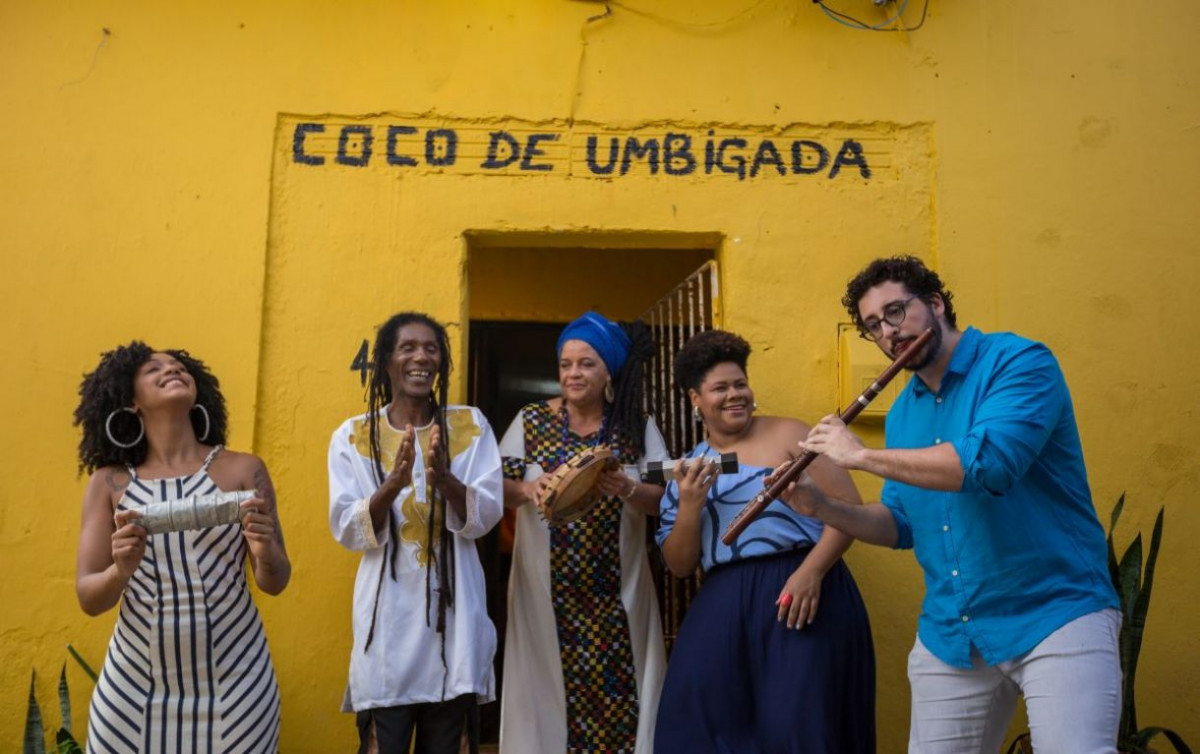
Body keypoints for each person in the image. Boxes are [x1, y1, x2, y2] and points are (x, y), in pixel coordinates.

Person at [780, 255, 1121, 754]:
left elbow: (989, 464)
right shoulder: (902, 414)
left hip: (1056, 610)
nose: (888, 334)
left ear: (935, 304)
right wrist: (821, 506)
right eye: (874, 326)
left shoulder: (1019, 363)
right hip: (954, 629)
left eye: (896, 313)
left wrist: (862, 456)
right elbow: (899, 524)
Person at [654, 329, 876, 754]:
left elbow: (850, 512)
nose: (735, 395)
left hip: (803, 590)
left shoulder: (791, 434)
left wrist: (811, 573)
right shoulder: (687, 468)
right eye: (720, 388)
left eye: (740, 384)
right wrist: (689, 505)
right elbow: (681, 566)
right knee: (695, 717)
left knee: (799, 722)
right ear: (695, 398)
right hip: (724, 597)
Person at [74, 342, 290, 753]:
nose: (171, 370)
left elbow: (276, 581)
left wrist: (264, 550)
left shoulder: (245, 469)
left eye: (178, 367)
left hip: (237, 686)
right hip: (132, 691)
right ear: (130, 400)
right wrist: (121, 570)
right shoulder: (109, 483)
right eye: (153, 369)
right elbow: (88, 596)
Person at [328, 312, 503, 754]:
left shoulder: (471, 425)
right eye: (407, 347)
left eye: (431, 347)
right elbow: (347, 528)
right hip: (385, 628)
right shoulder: (352, 436)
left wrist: (443, 478)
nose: (420, 357)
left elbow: (487, 516)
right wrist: (392, 486)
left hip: (455, 626)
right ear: (386, 361)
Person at [497, 311, 668, 754]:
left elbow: (666, 499)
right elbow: (495, 489)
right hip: (545, 596)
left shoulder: (635, 425)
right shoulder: (531, 421)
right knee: (546, 699)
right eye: (566, 364)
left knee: (622, 702)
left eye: (586, 363)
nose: (573, 373)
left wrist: (627, 488)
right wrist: (530, 487)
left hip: (618, 595)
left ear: (608, 369)